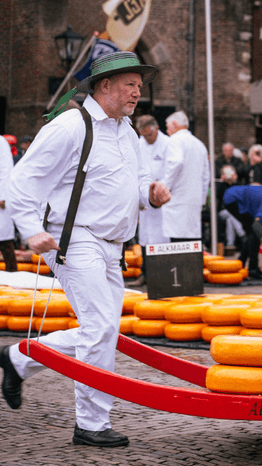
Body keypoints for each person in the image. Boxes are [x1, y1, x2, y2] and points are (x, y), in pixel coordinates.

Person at [1, 51, 171, 447]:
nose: (137, 92)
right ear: (105, 85)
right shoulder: (71, 126)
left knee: (102, 331)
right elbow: (21, 182)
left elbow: (139, 181)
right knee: (99, 329)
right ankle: (91, 423)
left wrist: (152, 193)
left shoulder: (126, 130)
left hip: (111, 245)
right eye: (130, 84)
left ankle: (17, 359)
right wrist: (30, 231)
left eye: (140, 86)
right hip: (73, 238)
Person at [128, 115, 179, 286]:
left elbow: (173, 168)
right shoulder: (140, 144)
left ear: (156, 129)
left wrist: (162, 187)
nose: (147, 138)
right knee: (145, 236)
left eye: (149, 135)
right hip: (145, 197)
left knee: (161, 237)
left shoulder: (168, 144)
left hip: (163, 198)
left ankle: (162, 275)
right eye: (143, 135)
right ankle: (145, 273)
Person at [163, 111, 210, 243]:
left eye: (167, 126)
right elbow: (206, 176)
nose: (167, 130)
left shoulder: (174, 141)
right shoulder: (200, 144)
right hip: (194, 200)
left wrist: (165, 187)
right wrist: (202, 198)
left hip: (177, 199)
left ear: (174, 124)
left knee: (176, 242)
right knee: (192, 243)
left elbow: (175, 163)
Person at [0, 135, 17, 271]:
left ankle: (12, 273)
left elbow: (6, 169)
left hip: (1, 197)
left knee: (4, 241)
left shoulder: (1, 141)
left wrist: (3, 195)